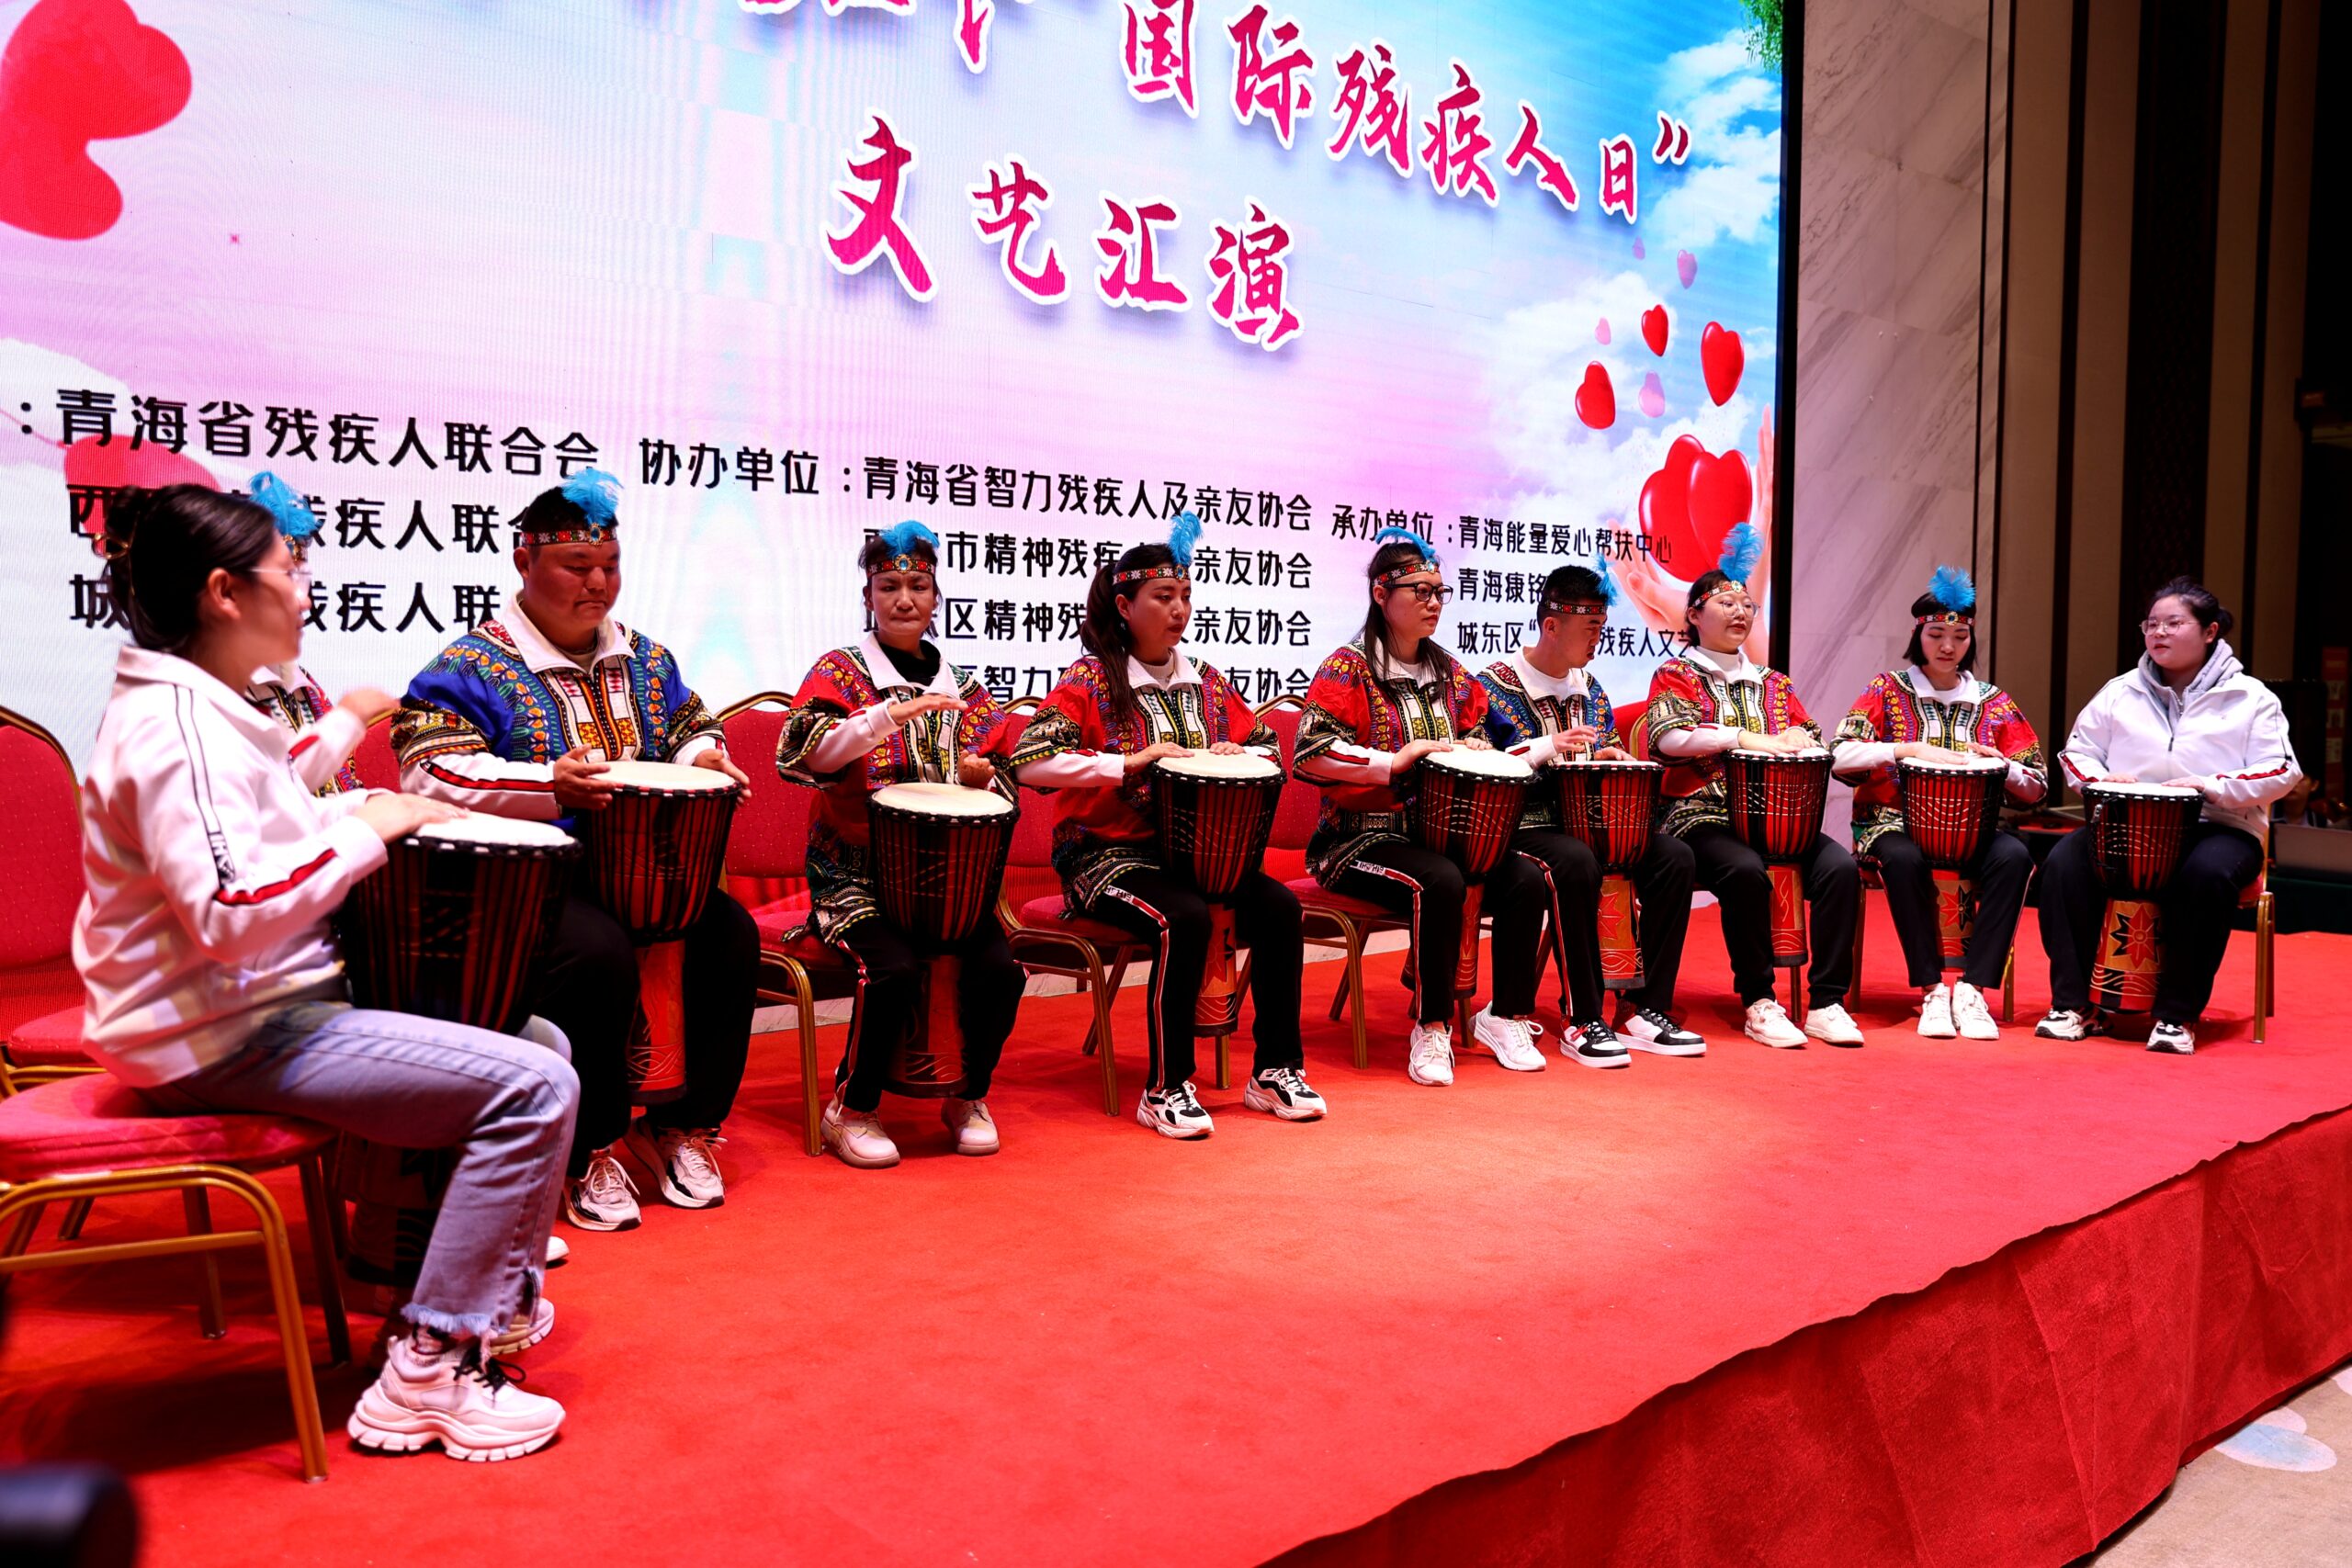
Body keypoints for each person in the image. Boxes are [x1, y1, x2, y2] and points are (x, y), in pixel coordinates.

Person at [74, 483, 575, 1461]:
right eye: (290, 570)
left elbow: (272, 823)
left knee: (537, 1039)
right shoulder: (175, 728)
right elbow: (230, 911)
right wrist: (371, 830)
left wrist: (367, 808)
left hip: (244, 1011)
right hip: (217, 1034)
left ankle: (468, 1304)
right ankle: (430, 1370)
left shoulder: (201, 708)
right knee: (533, 1085)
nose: (307, 590)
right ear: (225, 592)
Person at [393, 470, 758, 1228]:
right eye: (577, 566)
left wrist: (704, 758)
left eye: (610, 565)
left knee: (728, 932)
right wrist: (546, 783)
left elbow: (691, 723)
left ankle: (681, 1125)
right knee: (596, 953)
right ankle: (586, 1146)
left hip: (642, 871)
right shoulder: (469, 666)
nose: (598, 582)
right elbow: (427, 767)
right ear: (524, 561)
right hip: (527, 883)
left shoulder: (646, 659)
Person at [1009, 514, 1319, 1138]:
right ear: (1124, 606)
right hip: (1105, 859)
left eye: (1185, 596)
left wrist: (1238, 752)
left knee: (1280, 908)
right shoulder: (1091, 679)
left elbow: (1267, 747)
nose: (1179, 609)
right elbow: (1030, 761)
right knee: (1184, 917)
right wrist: (1126, 763)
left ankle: (1275, 1070)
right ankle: (1167, 1085)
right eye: (1162, 597)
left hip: (1193, 859)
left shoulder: (1205, 680)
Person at [778, 520, 1025, 1168]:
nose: (904, 598)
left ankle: (967, 1094)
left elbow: (1005, 782)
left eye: (918, 585)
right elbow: (806, 754)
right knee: (891, 968)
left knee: (1001, 972)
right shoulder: (841, 672)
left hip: (944, 884)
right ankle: (852, 1107)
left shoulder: (963, 688)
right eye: (889, 586)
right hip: (852, 876)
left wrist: (982, 777)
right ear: (869, 596)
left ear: (936, 597)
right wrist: (884, 716)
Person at [2035, 577, 2301, 1053]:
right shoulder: (2119, 691)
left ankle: (2177, 1015)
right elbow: (2077, 753)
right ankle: (2074, 1005)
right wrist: (2101, 781)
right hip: (2125, 824)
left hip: (2218, 826)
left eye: (2174, 623)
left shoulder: (2251, 697)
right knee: (2062, 864)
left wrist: (2212, 786)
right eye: (2151, 624)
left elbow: (2283, 769)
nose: (2158, 633)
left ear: (2210, 631)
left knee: (2205, 875)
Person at [1631, 526, 1864, 1048]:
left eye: (1747, 605)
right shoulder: (1677, 674)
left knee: (1840, 870)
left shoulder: (1774, 683)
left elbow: (1807, 734)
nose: (1740, 612)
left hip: (1777, 818)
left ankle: (1827, 1001)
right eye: (1725, 603)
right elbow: (1669, 738)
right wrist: (1743, 737)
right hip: (1701, 815)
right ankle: (1759, 1000)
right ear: (1694, 615)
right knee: (1743, 870)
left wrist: (1800, 742)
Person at [1479, 560, 1704, 1066]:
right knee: (1577, 861)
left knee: (1674, 858)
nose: (1598, 639)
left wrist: (1606, 758)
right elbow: (1481, 764)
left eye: (1602, 626)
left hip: (1587, 824)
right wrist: (1547, 747)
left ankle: (1645, 1008)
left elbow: (1594, 752)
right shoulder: (1492, 687)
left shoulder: (1591, 688)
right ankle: (1583, 1015)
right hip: (1521, 827)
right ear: (1552, 625)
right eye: (1591, 627)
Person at [1294, 527, 1496, 1086]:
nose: (1434, 603)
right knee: (1441, 880)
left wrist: (1477, 748)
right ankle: (1431, 1025)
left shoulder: (1451, 673)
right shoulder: (1347, 668)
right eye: (1420, 591)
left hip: (1430, 836)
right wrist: (1392, 761)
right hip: (1355, 841)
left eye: (1439, 592)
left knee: (1522, 874)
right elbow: (1311, 751)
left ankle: (1508, 1014)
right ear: (1381, 595)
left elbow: (1477, 732)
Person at [1830, 567, 2045, 1039]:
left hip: (1973, 829)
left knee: (2014, 857)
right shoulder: (1887, 690)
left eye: (1960, 637)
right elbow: (1840, 754)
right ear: (1918, 636)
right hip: (1889, 823)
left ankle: (1973, 988)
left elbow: (2037, 785)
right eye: (1936, 635)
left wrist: (2003, 766)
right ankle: (1931, 988)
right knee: (1904, 858)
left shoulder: (1994, 702)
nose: (1948, 646)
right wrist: (1902, 749)